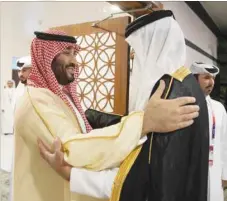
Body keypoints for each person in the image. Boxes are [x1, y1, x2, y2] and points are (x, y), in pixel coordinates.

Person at [38, 10, 209, 201]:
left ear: (154, 47)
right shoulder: (185, 85)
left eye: (137, 51)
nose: (133, 58)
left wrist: (70, 173)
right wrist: (92, 116)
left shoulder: (167, 94)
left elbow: (143, 177)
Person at [190, 62, 227, 201]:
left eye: (213, 78)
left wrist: (225, 174)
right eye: (206, 77)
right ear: (195, 79)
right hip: (192, 172)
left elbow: (225, 142)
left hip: (215, 170)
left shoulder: (219, 108)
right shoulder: (187, 104)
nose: (211, 82)